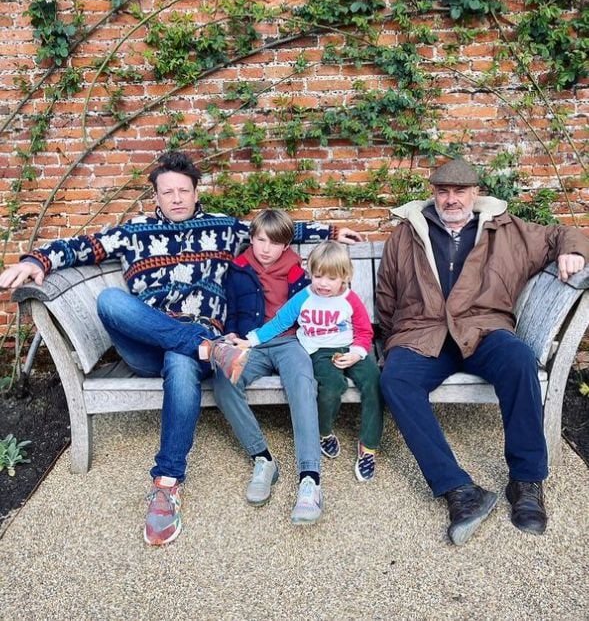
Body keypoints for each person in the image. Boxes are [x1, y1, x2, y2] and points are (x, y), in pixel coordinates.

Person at [0, 151, 361, 545]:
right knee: (111, 303)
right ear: (155, 195)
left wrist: (330, 232)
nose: (176, 199)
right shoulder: (132, 231)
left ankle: (167, 482)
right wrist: (37, 260)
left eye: (183, 191)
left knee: (181, 357)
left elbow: (273, 233)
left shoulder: (223, 229)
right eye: (167, 191)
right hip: (147, 344)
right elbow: (83, 246)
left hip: (190, 351)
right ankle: (203, 346)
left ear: (194, 191)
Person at [376, 157, 589, 546]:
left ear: (476, 194)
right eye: (443, 191)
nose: (451, 199)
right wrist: (394, 340)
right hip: (425, 333)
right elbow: (387, 295)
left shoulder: (507, 230)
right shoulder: (407, 233)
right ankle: (459, 490)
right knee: (396, 378)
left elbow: (563, 233)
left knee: (519, 360)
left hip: (484, 329)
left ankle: (526, 481)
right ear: (434, 194)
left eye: (460, 191)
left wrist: (572, 250)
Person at [221, 237, 381, 522]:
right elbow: (282, 320)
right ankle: (317, 435)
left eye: (331, 278)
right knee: (331, 386)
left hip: (348, 348)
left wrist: (357, 353)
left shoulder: (349, 299)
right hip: (318, 350)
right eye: (318, 275)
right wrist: (252, 340)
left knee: (373, 382)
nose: (322, 283)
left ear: (345, 277)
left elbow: (364, 330)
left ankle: (362, 449)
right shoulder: (304, 295)